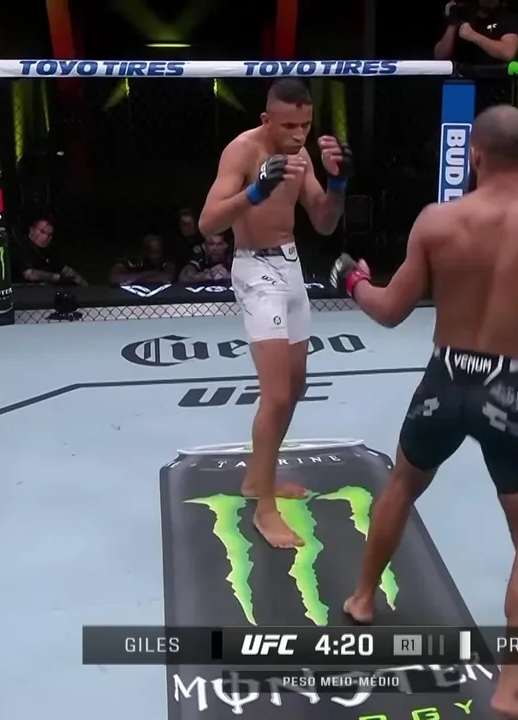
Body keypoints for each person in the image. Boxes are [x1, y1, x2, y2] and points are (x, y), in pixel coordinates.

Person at [329, 105, 518, 720]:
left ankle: (362, 599)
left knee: (401, 484)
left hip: (445, 380)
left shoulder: (437, 222)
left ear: (476, 155)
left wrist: (352, 281)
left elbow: (389, 311)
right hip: (511, 389)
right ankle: (511, 688)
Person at [197, 79, 352, 549]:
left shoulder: (301, 155)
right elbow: (208, 222)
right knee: (277, 394)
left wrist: (338, 181)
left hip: (291, 266)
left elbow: (323, 221)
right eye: (289, 126)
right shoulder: (242, 151)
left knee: (296, 386)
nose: (299, 135)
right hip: (255, 270)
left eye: (305, 125)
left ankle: (255, 478)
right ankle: (265, 510)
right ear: (267, 120)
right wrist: (256, 192)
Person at [434, 0, 518, 63]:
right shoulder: (463, 15)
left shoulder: (508, 18)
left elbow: (507, 53)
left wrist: (473, 36)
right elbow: (439, 56)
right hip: (461, 79)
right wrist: (452, 23)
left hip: (493, 79)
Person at [14, 217, 87, 286]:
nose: (46, 237)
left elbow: (65, 269)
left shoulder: (48, 252)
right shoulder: (19, 247)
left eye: (49, 235)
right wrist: (57, 278)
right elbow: (29, 274)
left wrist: (83, 284)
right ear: (32, 230)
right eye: (42, 232)